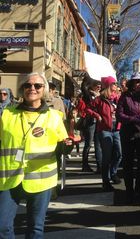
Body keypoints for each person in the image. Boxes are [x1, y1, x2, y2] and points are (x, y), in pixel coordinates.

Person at [0, 72, 71, 238]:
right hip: (9, 177)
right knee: (2, 227)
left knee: (35, 229)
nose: (32, 88)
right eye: (27, 85)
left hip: (41, 180)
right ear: (22, 89)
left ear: (44, 90)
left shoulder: (54, 116)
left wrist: (67, 146)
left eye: (37, 85)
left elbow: (62, 146)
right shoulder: (7, 114)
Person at [117, 72, 140, 203]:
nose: (139, 84)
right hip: (128, 132)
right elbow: (119, 115)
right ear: (132, 83)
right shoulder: (125, 96)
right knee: (128, 163)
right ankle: (129, 190)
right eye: (137, 81)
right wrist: (132, 119)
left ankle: (139, 187)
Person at [86, 76, 123, 191]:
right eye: (114, 84)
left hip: (116, 130)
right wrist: (97, 116)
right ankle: (106, 181)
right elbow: (88, 109)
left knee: (119, 154)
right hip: (105, 130)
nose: (116, 86)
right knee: (106, 157)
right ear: (108, 86)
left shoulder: (118, 98)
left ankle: (113, 173)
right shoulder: (99, 99)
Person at [77, 78, 102, 172]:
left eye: (100, 86)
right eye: (97, 86)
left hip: (99, 122)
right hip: (90, 122)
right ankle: (85, 165)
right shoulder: (88, 95)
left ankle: (99, 166)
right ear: (92, 86)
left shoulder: (101, 96)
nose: (98, 88)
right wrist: (86, 77)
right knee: (88, 144)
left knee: (98, 145)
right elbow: (83, 87)